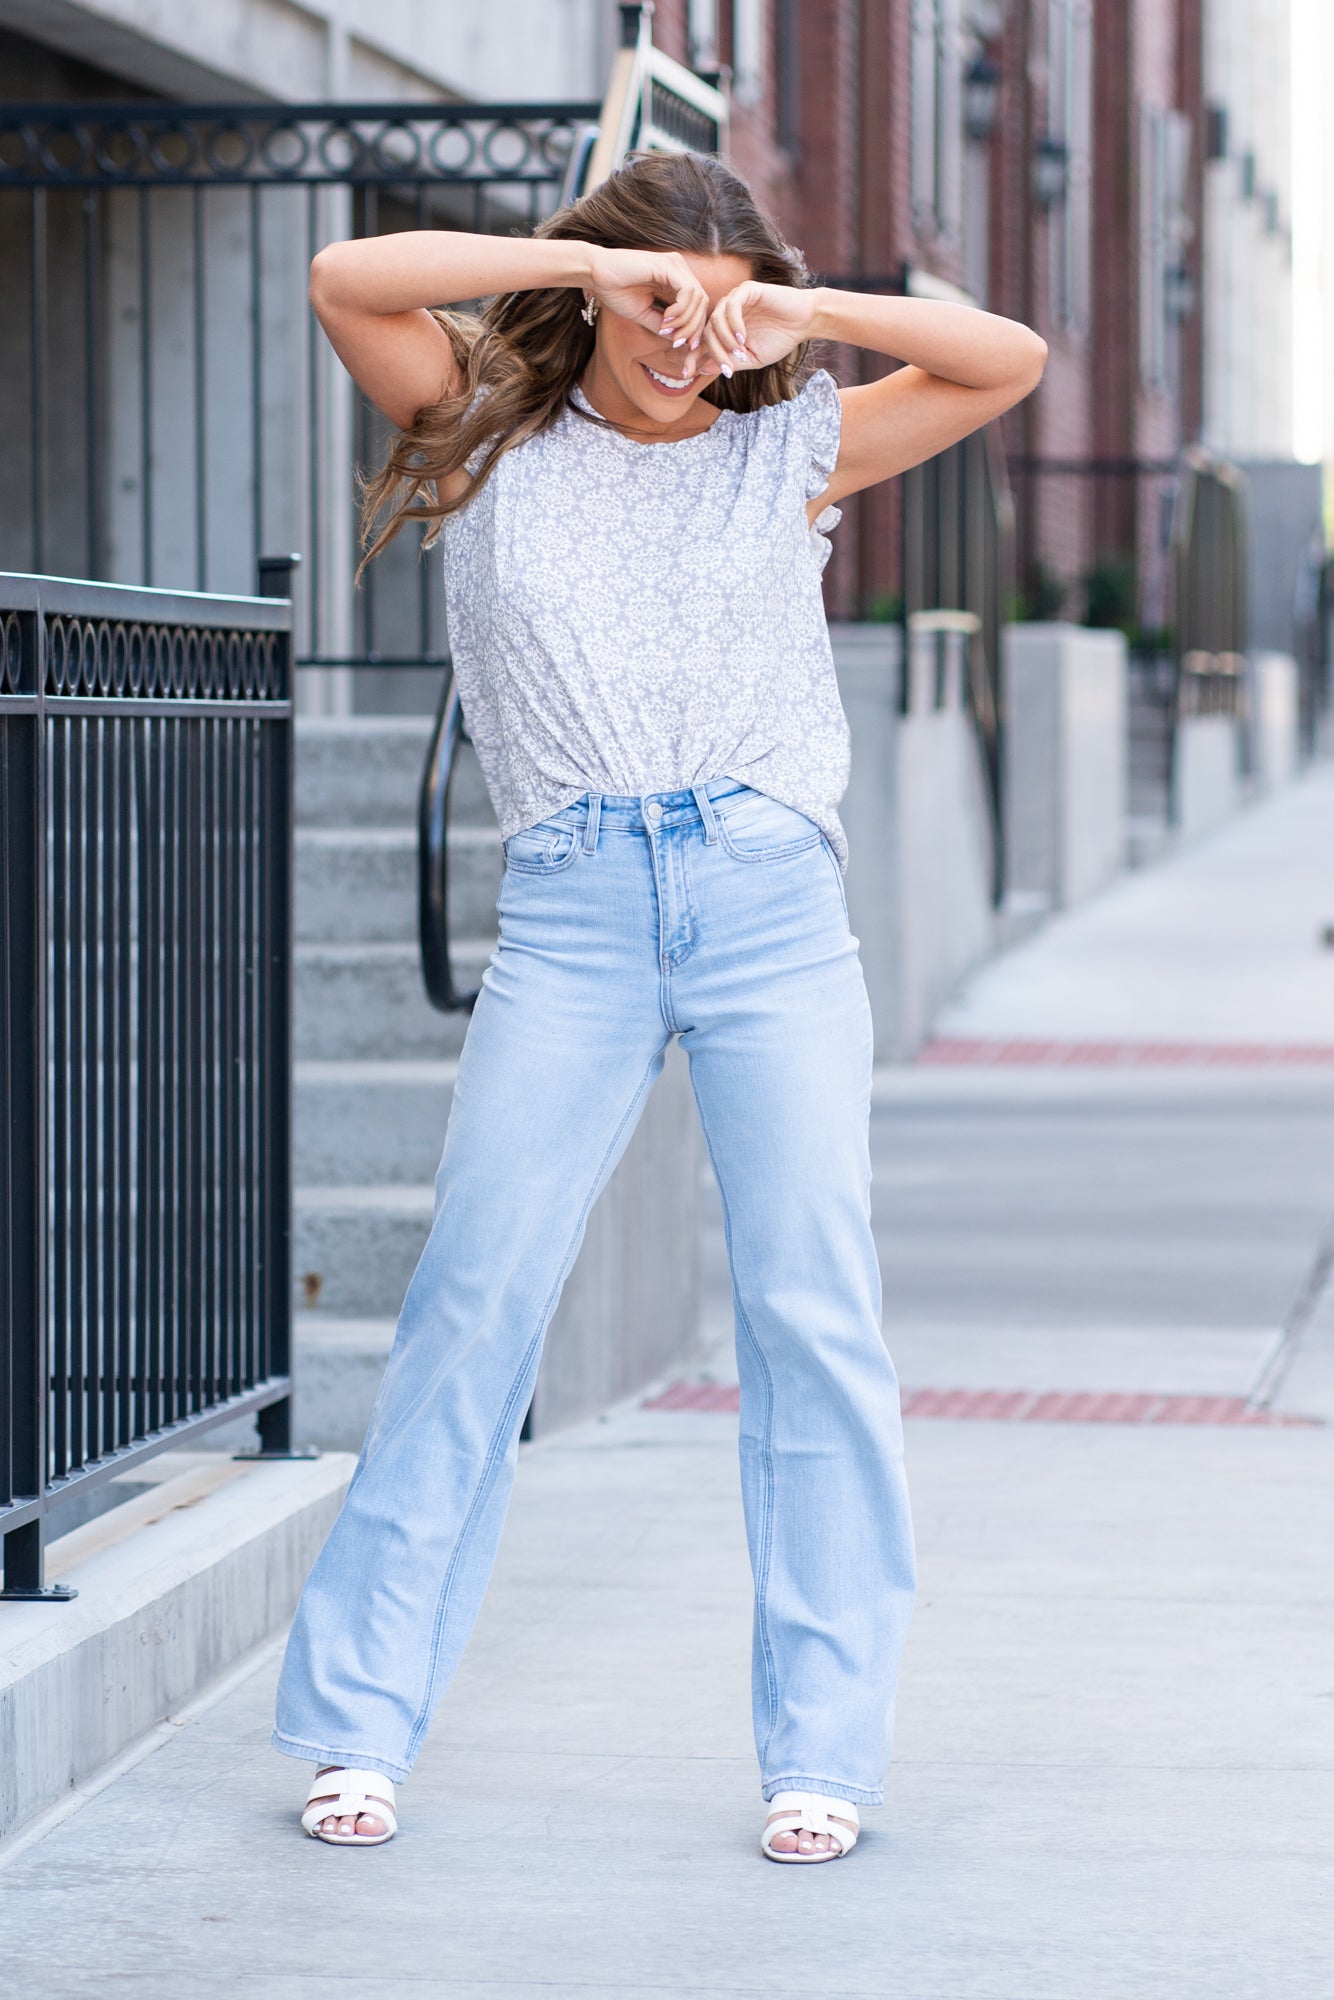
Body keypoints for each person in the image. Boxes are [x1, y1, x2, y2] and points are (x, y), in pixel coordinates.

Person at [274, 149, 1045, 1863]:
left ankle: (820, 1755)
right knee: (474, 1305)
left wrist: (798, 309)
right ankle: (355, 1728)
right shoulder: (488, 428)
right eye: (655, 306)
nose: (682, 342)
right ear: (598, 294)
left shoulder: (790, 444)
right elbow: (348, 276)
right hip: (574, 907)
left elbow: (1007, 359)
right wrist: (580, 274)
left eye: (708, 313)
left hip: (769, 902)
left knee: (809, 1317)